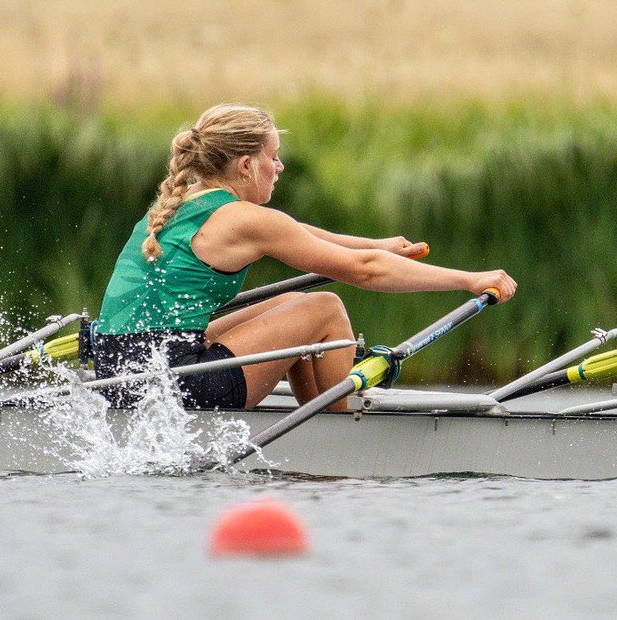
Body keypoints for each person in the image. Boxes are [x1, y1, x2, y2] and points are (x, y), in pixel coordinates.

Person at [95, 104, 516, 409]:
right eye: (273, 158)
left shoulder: (179, 204)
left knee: (287, 306)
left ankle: (318, 418)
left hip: (120, 374)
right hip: (178, 384)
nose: (279, 168)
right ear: (245, 166)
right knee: (325, 307)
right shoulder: (245, 219)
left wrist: (376, 244)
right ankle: (337, 431)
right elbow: (365, 274)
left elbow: (303, 235)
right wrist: (469, 279)